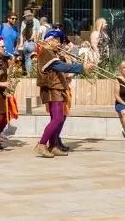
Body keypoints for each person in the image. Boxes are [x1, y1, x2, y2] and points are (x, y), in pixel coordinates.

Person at [34, 29, 96, 158]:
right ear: (49, 41)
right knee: (58, 118)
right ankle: (41, 144)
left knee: (57, 118)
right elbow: (60, 67)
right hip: (52, 88)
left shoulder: (52, 53)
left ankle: (53, 145)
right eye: (56, 41)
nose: (59, 44)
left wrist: (64, 56)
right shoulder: (46, 53)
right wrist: (82, 67)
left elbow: (63, 64)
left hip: (57, 88)